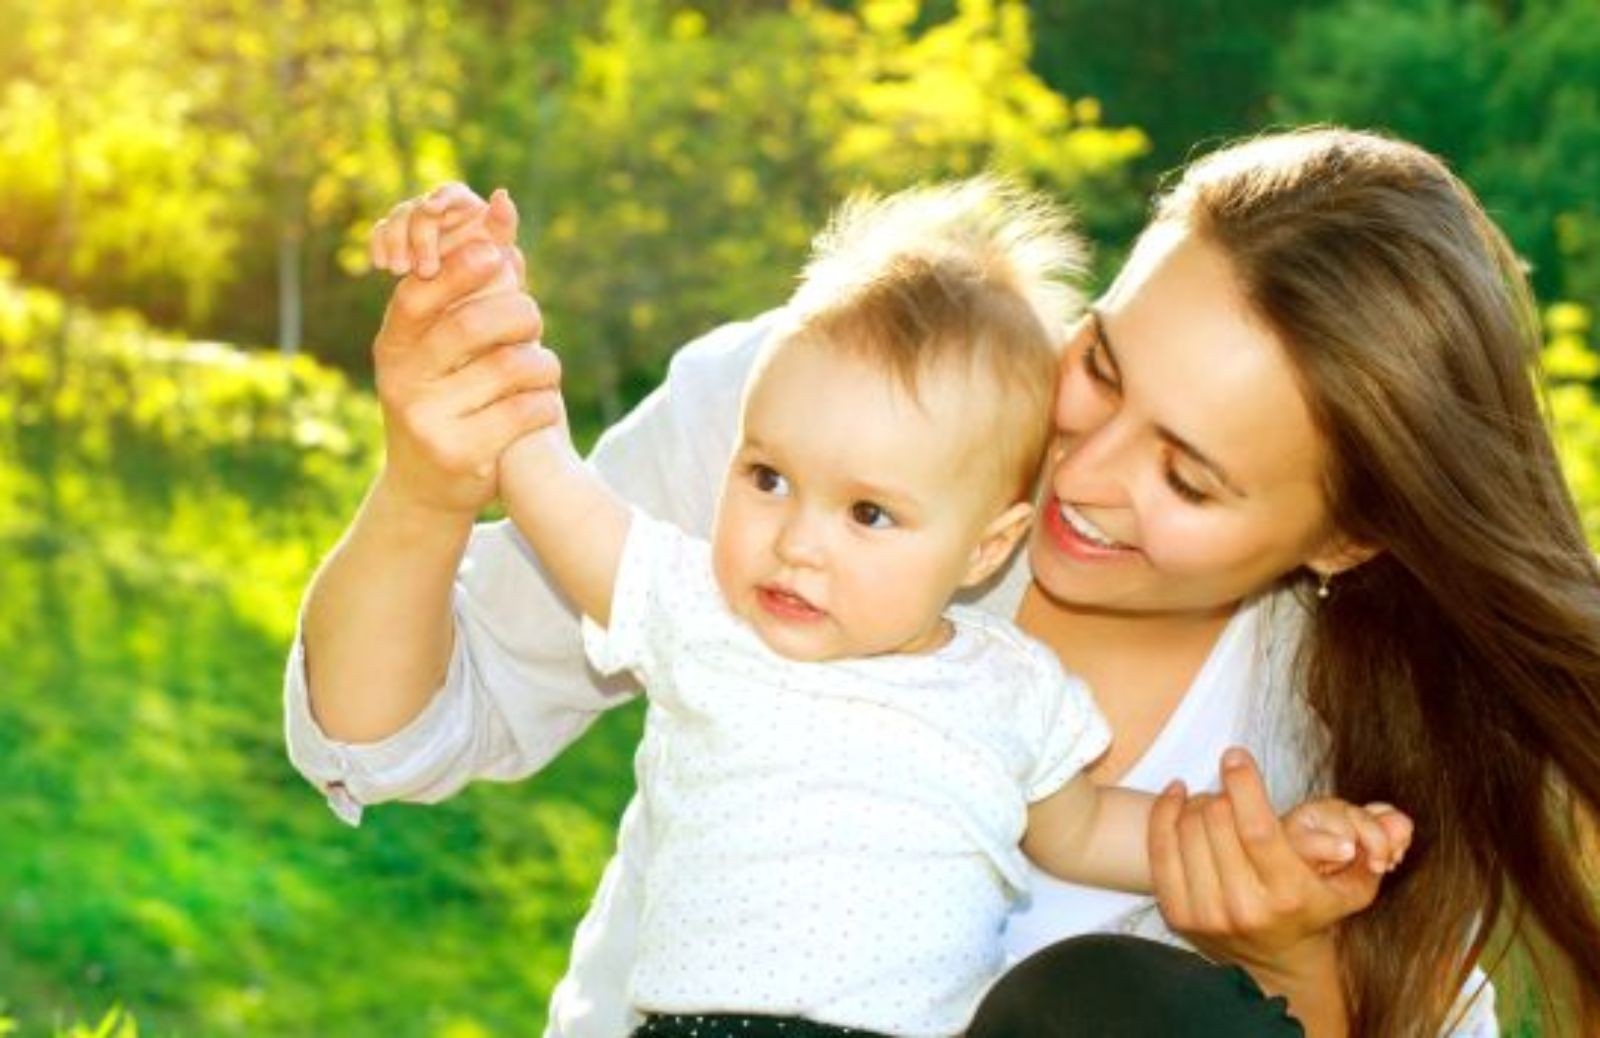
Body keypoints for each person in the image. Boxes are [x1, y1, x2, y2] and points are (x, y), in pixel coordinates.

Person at [286, 126, 1600, 1036]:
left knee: (1120, 1005)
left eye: (1188, 481)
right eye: (1103, 364)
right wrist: (425, 484)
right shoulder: (818, 425)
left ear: (1343, 540)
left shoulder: (1359, 725)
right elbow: (386, 738)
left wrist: (1294, 953)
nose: (1085, 474)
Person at [427, 178, 1403, 1036]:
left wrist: (1277, 855)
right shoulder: (708, 608)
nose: (801, 542)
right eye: (765, 479)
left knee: (1114, 993)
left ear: (986, 543)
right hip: (701, 1031)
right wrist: (486, 332)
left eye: (867, 513)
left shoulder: (1013, 686)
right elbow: (556, 499)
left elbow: (1082, 828)